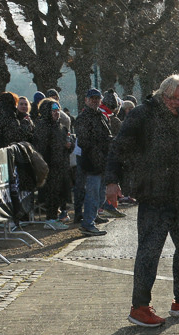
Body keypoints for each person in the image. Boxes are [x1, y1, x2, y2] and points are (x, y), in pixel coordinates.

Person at [104, 74, 179, 327]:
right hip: (154, 194)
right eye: (175, 98)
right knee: (150, 251)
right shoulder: (143, 115)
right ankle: (140, 307)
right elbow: (118, 148)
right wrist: (111, 182)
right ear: (162, 95)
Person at [74, 88, 112, 237]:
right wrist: (100, 147)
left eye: (97, 98)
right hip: (91, 163)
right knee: (93, 193)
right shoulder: (83, 118)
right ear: (86, 100)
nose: (95, 100)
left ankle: (93, 216)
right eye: (92, 98)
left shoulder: (101, 116)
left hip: (102, 161)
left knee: (100, 193)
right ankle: (88, 223)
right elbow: (84, 141)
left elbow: (105, 136)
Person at [33, 98, 73, 224]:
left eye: (58, 110)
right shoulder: (42, 126)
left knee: (59, 194)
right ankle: (50, 220)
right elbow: (41, 148)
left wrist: (69, 145)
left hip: (61, 167)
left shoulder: (60, 127)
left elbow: (67, 145)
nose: (57, 113)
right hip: (49, 167)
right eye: (54, 110)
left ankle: (56, 217)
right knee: (51, 194)